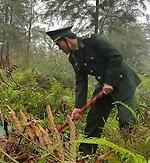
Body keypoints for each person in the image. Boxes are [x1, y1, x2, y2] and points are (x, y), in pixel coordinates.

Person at [46, 25, 141, 157]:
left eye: (59, 44)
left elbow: (116, 56)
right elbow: (81, 82)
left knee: (126, 120)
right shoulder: (73, 58)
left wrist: (110, 81)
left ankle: (130, 153)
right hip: (104, 85)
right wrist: (78, 107)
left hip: (123, 81)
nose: (59, 48)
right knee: (93, 119)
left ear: (67, 39)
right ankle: (86, 154)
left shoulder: (93, 40)